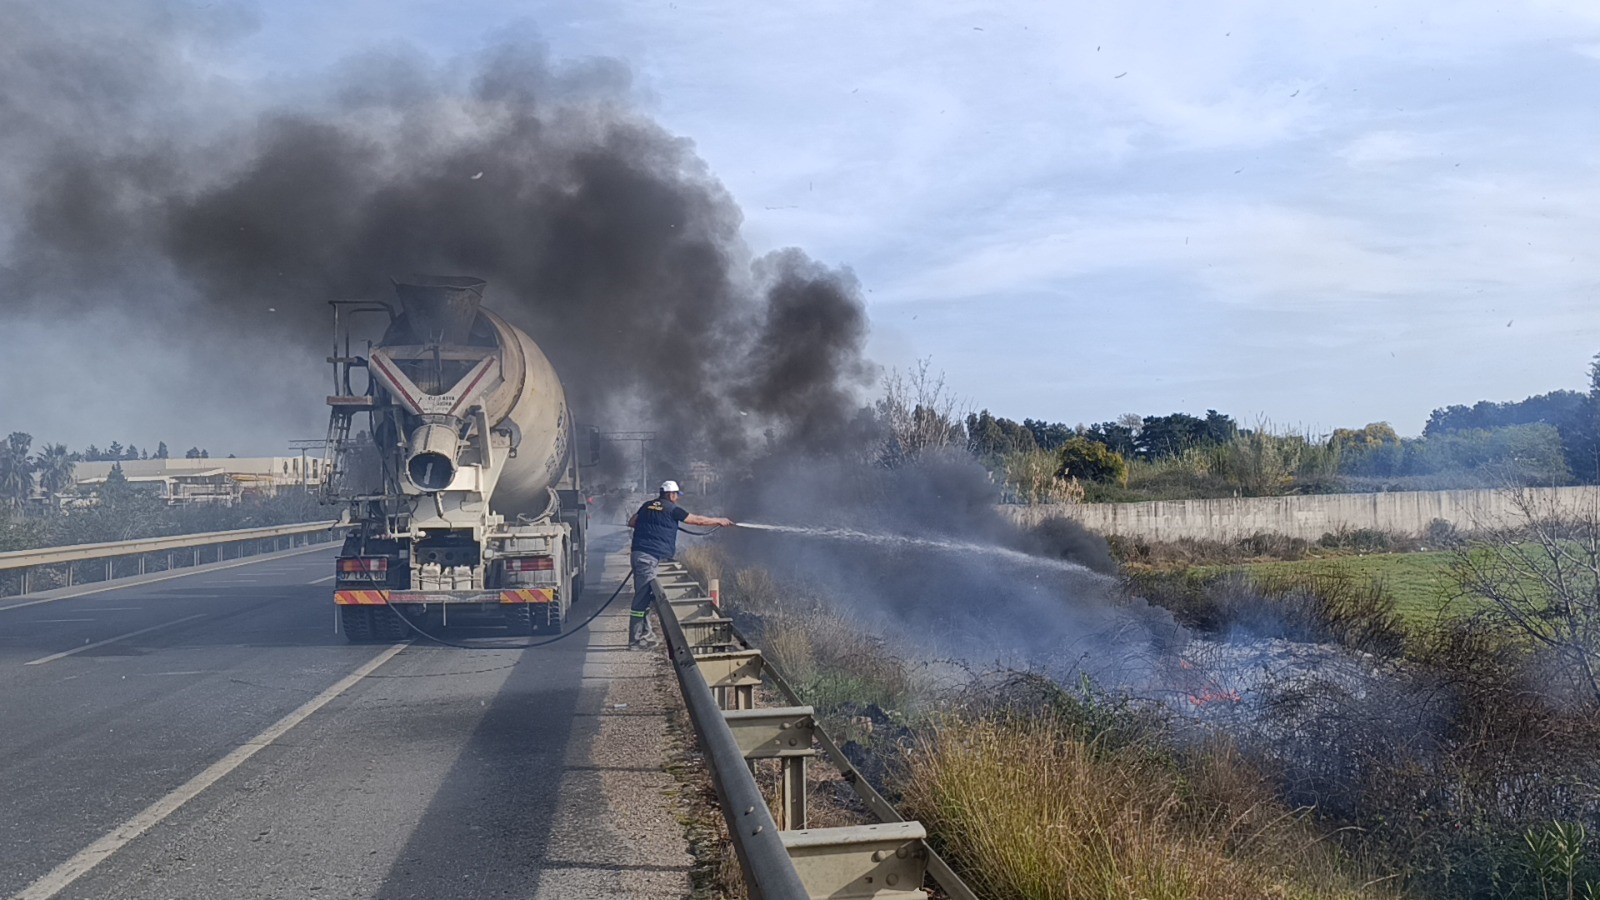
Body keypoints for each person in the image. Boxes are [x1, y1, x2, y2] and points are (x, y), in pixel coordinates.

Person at [625, 480, 734, 648]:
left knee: (645, 596)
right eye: (676, 495)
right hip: (648, 558)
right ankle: (635, 640)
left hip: (640, 554)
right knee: (641, 599)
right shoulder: (672, 509)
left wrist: (652, 525)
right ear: (671, 495)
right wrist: (719, 521)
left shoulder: (647, 505)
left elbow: (632, 522)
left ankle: (644, 635)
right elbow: (697, 520)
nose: (677, 498)